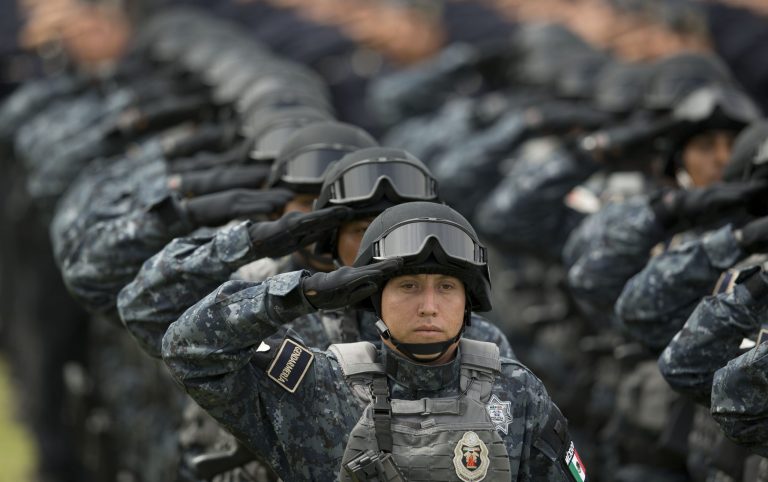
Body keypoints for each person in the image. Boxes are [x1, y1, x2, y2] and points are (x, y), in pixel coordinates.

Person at [161, 201, 582, 481]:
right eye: (409, 286)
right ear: (374, 299)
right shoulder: (316, 385)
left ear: (468, 301)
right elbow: (187, 351)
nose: (429, 306)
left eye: (447, 288)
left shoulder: (516, 390)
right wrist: (300, 295)